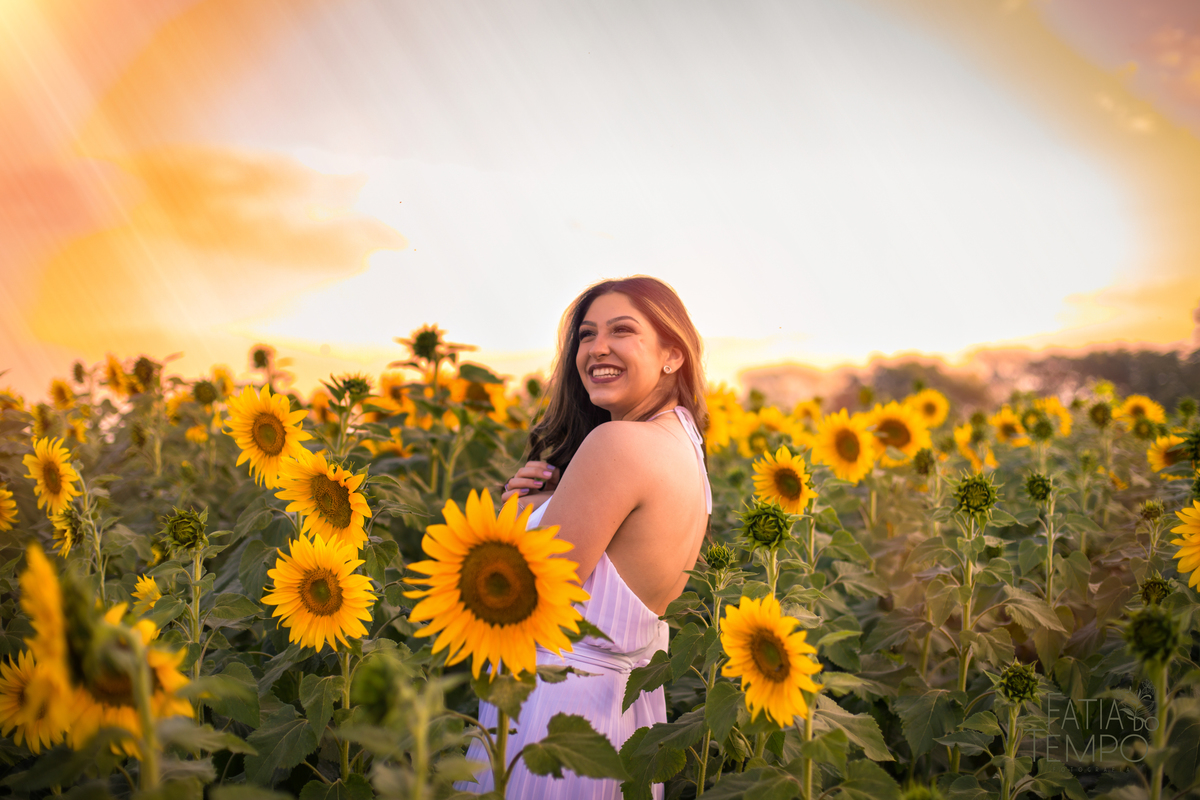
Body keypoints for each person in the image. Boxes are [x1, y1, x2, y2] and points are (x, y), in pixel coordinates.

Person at [460, 276, 712, 799]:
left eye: (622, 331)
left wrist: (516, 511)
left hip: (557, 717)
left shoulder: (617, 440)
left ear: (672, 354)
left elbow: (529, 597)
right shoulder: (685, 448)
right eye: (587, 334)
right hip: (619, 715)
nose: (597, 348)